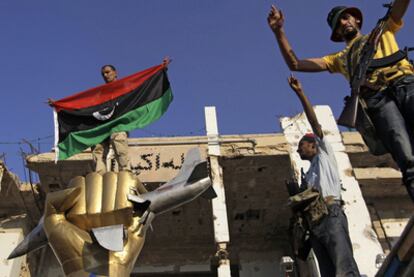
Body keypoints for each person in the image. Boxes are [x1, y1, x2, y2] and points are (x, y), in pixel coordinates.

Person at [267, 1, 414, 201]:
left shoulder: (384, 29)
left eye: (346, 18)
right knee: (407, 158)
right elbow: (296, 63)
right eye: (338, 24)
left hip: (405, 84)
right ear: (337, 33)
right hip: (378, 100)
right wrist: (278, 31)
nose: (344, 23)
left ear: (357, 19)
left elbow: (401, 5)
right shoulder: (339, 58)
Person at [288, 75, 360, 277]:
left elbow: (314, 122)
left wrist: (300, 93)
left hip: (331, 214)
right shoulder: (309, 173)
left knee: (343, 269)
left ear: (313, 144)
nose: (298, 150)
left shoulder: (324, 154)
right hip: (315, 224)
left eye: (301, 146)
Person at [93, 58, 171, 174]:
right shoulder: (100, 93)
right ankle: (99, 176)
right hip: (103, 125)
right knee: (97, 147)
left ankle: (125, 172)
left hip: (119, 124)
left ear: (115, 73)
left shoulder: (125, 86)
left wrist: (161, 70)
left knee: (119, 144)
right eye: (103, 73)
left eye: (108, 72)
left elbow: (144, 85)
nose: (105, 75)